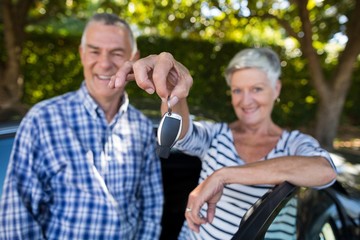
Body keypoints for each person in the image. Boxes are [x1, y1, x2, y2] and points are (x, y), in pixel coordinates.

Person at [110, 48, 337, 239]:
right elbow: (182, 133)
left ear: (275, 89)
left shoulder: (294, 144)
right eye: (238, 90)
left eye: (256, 89)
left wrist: (223, 175)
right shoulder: (217, 135)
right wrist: (170, 90)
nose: (245, 100)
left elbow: (324, 170)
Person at [0, 13, 163, 239]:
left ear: (134, 59)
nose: (105, 63)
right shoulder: (42, 120)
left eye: (116, 53)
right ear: (82, 54)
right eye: (95, 51)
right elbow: (17, 217)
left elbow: (151, 207)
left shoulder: (142, 128)